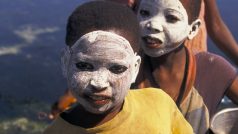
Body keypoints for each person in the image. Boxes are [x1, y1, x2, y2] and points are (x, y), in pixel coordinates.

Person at [43, 1, 193, 133]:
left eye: (117, 68)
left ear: (135, 68)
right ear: (65, 62)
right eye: (85, 66)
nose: (99, 83)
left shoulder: (159, 104)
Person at [135, 0, 238, 133]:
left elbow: (216, 26)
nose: (153, 25)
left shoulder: (211, 70)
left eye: (171, 18)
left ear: (193, 28)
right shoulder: (125, 70)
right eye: (145, 13)